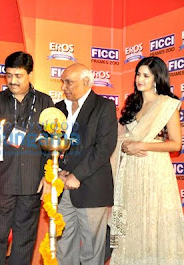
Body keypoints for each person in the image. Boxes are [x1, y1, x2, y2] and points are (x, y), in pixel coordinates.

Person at [109, 56, 184, 264]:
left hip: (155, 171)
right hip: (129, 171)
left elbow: (176, 144)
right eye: (138, 75)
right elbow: (121, 138)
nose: (140, 79)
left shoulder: (168, 105)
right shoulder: (133, 104)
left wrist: (142, 145)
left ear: (157, 78)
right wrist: (124, 145)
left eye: (146, 76)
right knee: (127, 218)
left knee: (154, 220)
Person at [0, 51, 54, 265]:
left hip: (32, 181)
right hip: (4, 179)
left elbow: (51, 142)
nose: (12, 81)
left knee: (25, 239)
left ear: (30, 74)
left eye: (18, 75)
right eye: (9, 75)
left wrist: (48, 176)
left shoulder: (45, 101)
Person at [54, 63, 117, 264]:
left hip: (91, 188)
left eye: (69, 82)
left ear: (86, 82)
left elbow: (104, 147)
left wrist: (76, 175)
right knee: (63, 246)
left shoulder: (104, 107)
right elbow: (48, 144)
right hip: (62, 188)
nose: (64, 87)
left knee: (91, 249)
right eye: (62, 82)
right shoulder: (57, 109)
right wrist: (59, 171)